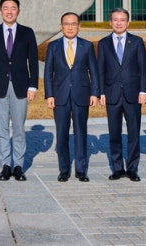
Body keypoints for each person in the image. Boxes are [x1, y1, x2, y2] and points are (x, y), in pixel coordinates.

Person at [0, 0, 38, 181]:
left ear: (18, 11)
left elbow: (33, 61)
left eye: (13, 7)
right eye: (6, 7)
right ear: (0, 11)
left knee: (19, 128)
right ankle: (5, 165)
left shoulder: (27, 32)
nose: (9, 11)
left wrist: (33, 86)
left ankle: (19, 165)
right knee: (2, 128)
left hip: (21, 86)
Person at [44, 12, 99, 182]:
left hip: (81, 94)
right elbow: (47, 73)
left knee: (81, 132)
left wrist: (95, 93)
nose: (70, 27)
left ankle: (81, 170)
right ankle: (64, 169)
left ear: (79, 26)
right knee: (62, 134)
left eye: (73, 24)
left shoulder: (87, 46)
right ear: (61, 26)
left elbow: (94, 72)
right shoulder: (53, 46)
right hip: (59, 96)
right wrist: (49, 94)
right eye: (66, 24)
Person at [97, 8, 146, 181]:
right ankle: (117, 167)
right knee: (114, 133)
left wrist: (143, 91)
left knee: (134, 133)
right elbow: (100, 71)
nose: (119, 23)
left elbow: (143, 69)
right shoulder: (103, 43)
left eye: (122, 20)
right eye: (115, 20)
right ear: (110, 22)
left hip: (133, 95)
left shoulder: (137, 42)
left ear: (128, 22)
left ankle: (132, 168)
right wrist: (100, 92)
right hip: (111, 95)